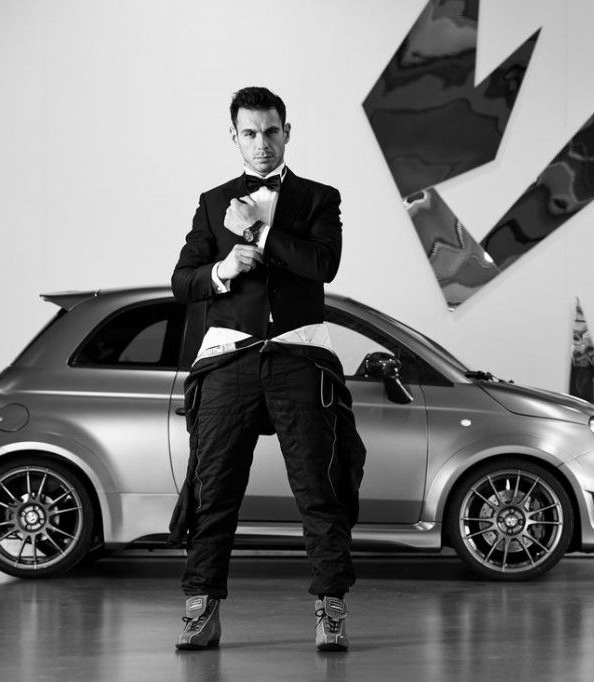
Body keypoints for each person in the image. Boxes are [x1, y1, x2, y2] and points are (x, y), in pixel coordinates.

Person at [168, 86, 366, 652]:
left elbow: (324, 263)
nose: (261, 143)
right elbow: (183, 281)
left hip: (299, 356)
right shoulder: (213, 202)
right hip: (229, 359)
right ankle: (201, 609)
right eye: (250, 133)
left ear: (287, 132)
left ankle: (330, 608)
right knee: (213, 490)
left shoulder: (318, 198)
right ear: (234, 137)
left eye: (271, 131)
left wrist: (262, 230)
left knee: (319, 489)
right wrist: (223, 269)